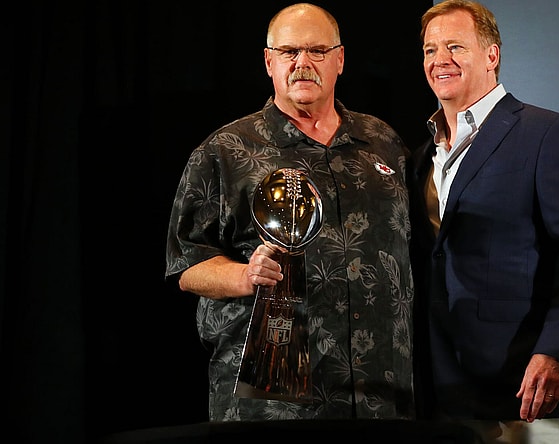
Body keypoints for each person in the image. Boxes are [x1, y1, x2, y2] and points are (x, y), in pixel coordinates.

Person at [165, 3, 415, 421]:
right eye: (289, 52)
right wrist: (245, 276)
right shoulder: (225, 151)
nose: (303, 63)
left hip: (381, 394)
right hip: (275, 402)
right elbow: (187, 265)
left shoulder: (382, 142)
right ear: (269, 61)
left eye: (317, 51)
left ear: (340, 60)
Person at [408, 1, 559, 443]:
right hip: (442, 390)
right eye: (429, 50)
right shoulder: (420, 155)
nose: (439, 60)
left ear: (491, 55)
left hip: (525, 386)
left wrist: (556, 351)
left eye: (455, 46)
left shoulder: (548, 134)